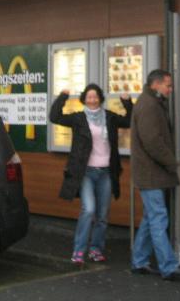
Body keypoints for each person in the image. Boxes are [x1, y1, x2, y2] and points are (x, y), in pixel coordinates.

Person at [49, 84, 133, 264]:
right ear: (84, 99)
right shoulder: (78, 118)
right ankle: (79, 250)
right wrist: (62, 97)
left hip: (106, 172)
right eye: (89, 97)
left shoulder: (109, 117)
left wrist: (127, 102)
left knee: (102, 215)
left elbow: (129, 121)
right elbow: (54, 117)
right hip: (85, 172)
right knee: (88, 210)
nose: (92, 100)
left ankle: (96, 249)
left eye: (95, 97)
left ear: (100, 98)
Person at [130, 69, 180, 281]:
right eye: (168, 85)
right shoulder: (149, 105)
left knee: (151, 218)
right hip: (151, 174)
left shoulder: (151, 102)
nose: (171, 90)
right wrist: (172, 162)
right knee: (158, 218)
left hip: (151, 173)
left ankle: (139, 261)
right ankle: (168, 266)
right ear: (156, 84)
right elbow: (153, 142)